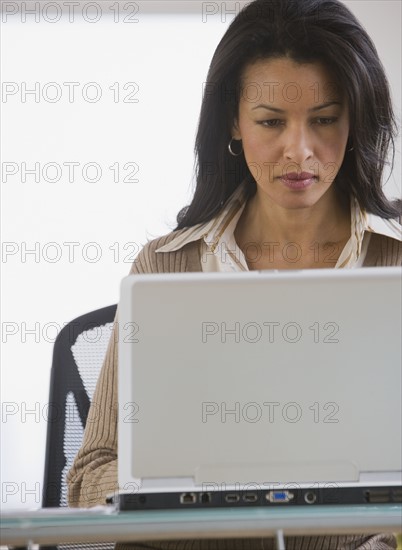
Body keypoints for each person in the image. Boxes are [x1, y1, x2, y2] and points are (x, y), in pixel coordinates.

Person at [67, 0, 401, 548]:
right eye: (271, 121)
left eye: (324, 119)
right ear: (233, 121)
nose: (299, 150)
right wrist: (192, 493)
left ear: (356, 116)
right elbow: (87, 481)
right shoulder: (164, 267)